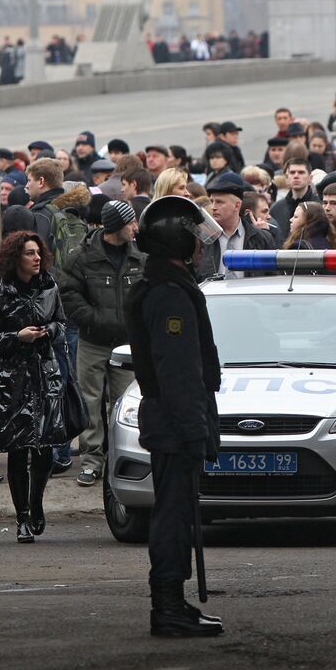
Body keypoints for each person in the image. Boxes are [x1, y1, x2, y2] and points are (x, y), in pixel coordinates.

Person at [124, 195, 225, 637]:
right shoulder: (169, 294)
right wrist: (194, 429)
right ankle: (166, 605)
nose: (201, 245)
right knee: (172, 517)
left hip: (170, 420)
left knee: (176, 514)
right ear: (177, 240)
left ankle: (172, 603)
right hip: (173, 423)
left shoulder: (165, 285)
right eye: (193, 237)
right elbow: (179, 371)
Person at [0, 232, 70, 543]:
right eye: (29, 253)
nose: (36, 258)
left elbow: (62, 323)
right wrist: (17, 337)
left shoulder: (49, 287)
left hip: (45, 374)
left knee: (44, 447)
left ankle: (36, 503)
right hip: (12, 379)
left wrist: (48, 331)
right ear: (15, 257)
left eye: (38, 252)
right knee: (17, 451)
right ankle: (21, 517)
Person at [58, 200, 144, 487]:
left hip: (128, 345)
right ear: (116, 226)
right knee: (90, 403)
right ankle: (92, 461)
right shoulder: (83, 256)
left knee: (124, 404)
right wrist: (91, 318)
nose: (135, 227)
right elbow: (68, 293)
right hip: (93, 342)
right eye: (131, 222)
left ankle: (118, 459)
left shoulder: (140, 255)